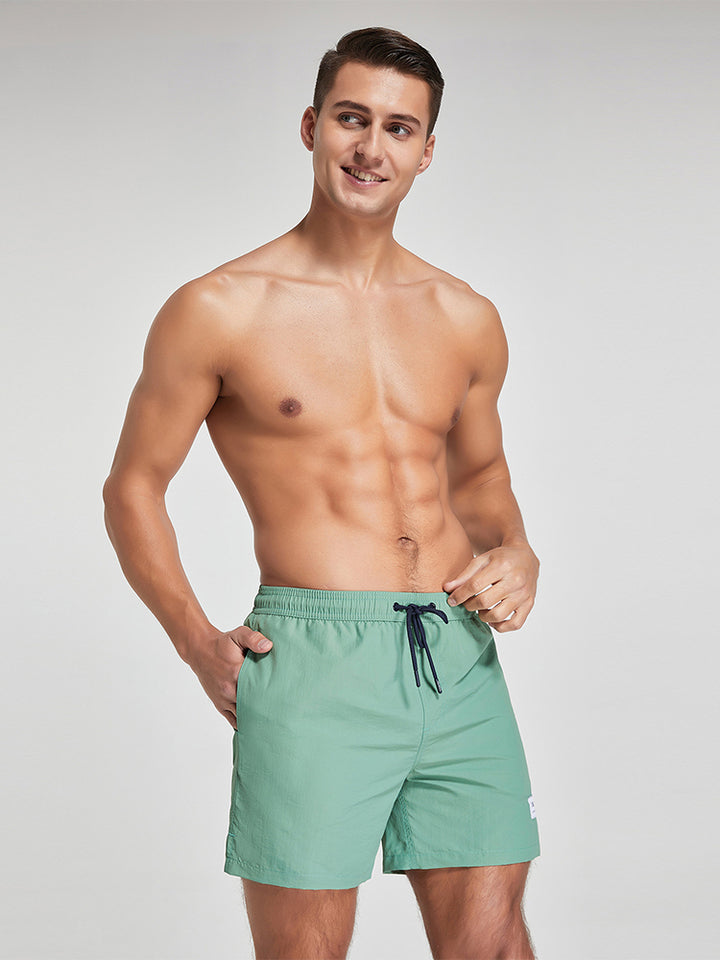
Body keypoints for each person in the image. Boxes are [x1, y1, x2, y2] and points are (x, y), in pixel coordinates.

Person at [103, 25, 541, 960]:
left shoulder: (465, 315)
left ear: (427, 151)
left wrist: (518, 550)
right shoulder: (220, 307)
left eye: (398, 128)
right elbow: (133, 486)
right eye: (352, 119)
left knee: (496, 946)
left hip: (457, 655)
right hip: (314, 659)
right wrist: (194, 640)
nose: (371, 147)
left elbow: (481, 480)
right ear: (311, 127)